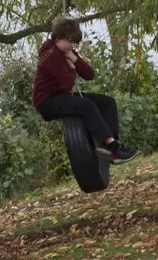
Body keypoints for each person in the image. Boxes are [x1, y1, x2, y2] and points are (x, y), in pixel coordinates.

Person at [33, 17, 138, 162]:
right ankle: (114, 149)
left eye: (74, 42)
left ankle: (110, 145)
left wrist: (73, 58)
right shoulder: (49, 53)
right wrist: (71, 68)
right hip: (47, 101)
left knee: (107, 102)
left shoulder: (65, 50)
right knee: (86, 105)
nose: (72, 45)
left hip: (61, 95)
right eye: (70, 41)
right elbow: (66, 83)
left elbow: (90, 74)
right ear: (59, 37)